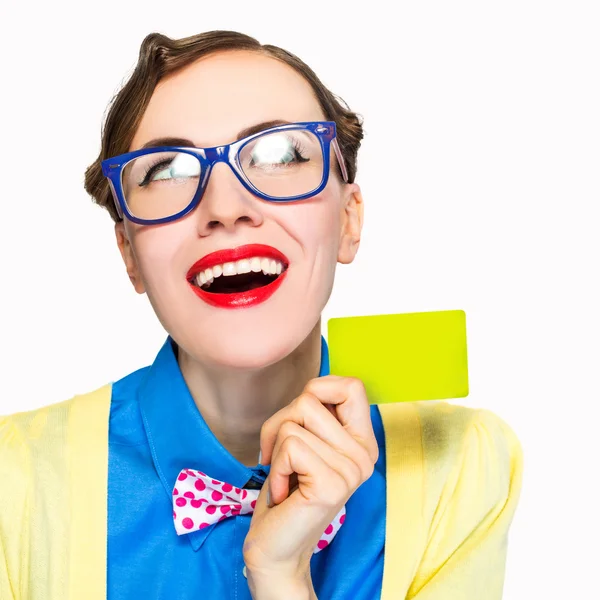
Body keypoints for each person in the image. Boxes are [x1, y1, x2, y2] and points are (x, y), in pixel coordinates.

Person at [0, 30, 523, 600]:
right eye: (167, 170)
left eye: (279, 155)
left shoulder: (460, 462)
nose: (225, 208)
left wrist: (280, 575)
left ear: (348, 220)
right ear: (130, 254)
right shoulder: (16, 482)